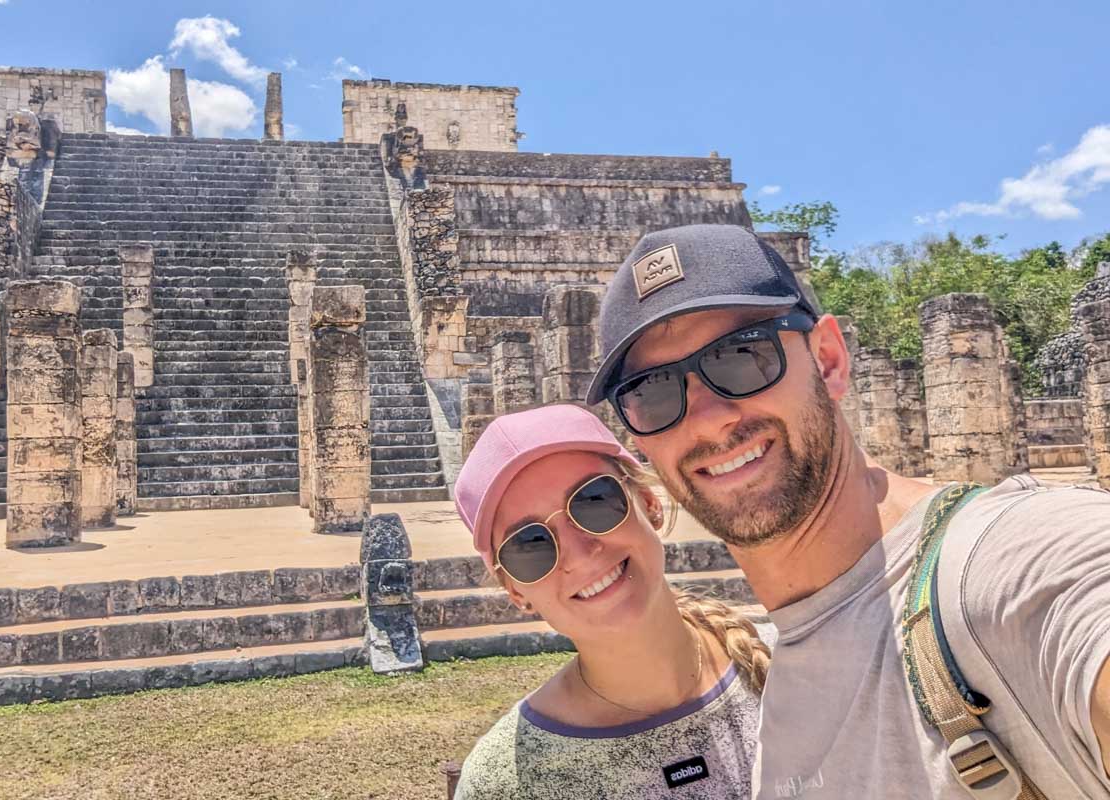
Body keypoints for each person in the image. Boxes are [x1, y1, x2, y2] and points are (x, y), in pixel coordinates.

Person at [584, 222, 1110, 798]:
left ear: (830, 360)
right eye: (652, 391)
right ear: (639, 442)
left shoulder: (1016, 567)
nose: (709, 417)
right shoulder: (781, 668)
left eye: (741, 356)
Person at [451, 403, 773, 799]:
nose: (581, 554)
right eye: (530, 545)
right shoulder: (502, 784)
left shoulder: (802, 663)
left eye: (595, 502)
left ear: (649, 503)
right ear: (516, 591)